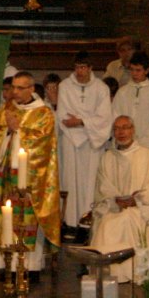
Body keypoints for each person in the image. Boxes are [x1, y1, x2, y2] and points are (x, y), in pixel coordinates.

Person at [0, 71, 60, 276]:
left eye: (19, 88)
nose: (14, 92)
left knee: (26, 219)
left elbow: (43, 144)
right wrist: (6, 131)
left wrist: (18, 130)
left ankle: (28, 266)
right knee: (5, 218)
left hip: (30, 177)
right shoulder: (5, 110)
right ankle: (5, 263)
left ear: (31, 89)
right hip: (5, 175)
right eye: (12, 87)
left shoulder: (43, 113)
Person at [88, 115, 149, 283]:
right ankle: (108, 273)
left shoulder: (147, 155)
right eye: (117, 129)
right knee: (107, 223)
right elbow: (103, 186)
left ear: (133, 130)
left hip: (139, 207)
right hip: (113, 206)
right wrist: (115, 200)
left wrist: (136, 201)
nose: (121, 132)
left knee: (128, 219)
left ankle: (132, 272)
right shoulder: (107, 157)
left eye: (125, 127)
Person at [56, 51, 112, 242]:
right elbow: (62, 115)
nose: (80, 71)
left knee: (89, 184)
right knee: (70, 181)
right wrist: (81, 126)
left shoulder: (101, 88)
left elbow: (104, 118)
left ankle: (87, 224)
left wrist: (81, 121)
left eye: (83, 67)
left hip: (92, 143)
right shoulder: (64, 86)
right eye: (77, 67)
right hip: (71, 143)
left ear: (90, 68)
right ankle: (70, 222)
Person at [111, 52, 149, 163]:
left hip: (146, 148)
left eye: (138, 70)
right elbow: (115, 116)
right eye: (132, 70)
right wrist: (126, 140)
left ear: (147, 70)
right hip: (125, 145)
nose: (134, 74)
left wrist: (142, 145)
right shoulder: (122, 92)